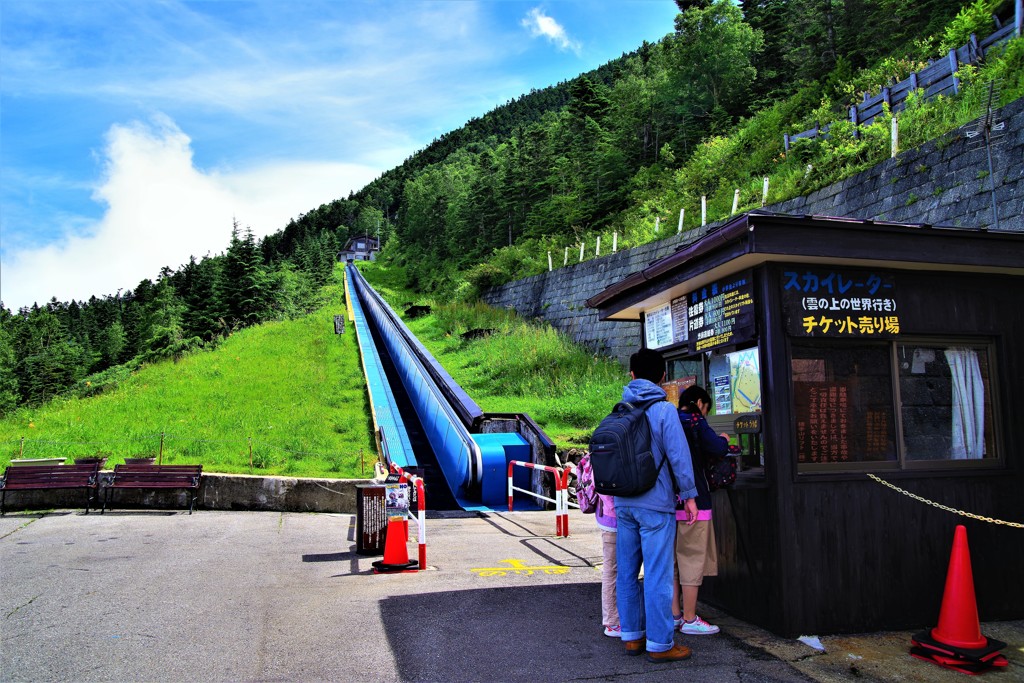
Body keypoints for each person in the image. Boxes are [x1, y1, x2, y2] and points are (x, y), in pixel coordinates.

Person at [614, 347, 699, 664]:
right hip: (656, 506)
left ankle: (632, 638)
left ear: (631, 376)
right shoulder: (665, 411)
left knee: (626, 573)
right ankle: (661, 644)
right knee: (658, 575)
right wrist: (689, 496)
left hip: (623, 503)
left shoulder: (619, 409)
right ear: (663, 377)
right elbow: (679, 455)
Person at [671, 385, 726, 635]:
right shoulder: (695, 421)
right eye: (706, 407)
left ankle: (674, 615)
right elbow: (717, 448)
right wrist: (724, 440)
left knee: (671, 562)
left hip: (667, 503)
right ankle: (690, 618)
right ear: (699, 403)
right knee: (691, 559)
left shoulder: (669, 419)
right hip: (695, 503)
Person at [594, 492, 620, 638]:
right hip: (614, 516)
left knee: (612, 570)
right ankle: (612, 621)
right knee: (612, 570)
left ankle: (614, 621)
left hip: (606, 515)